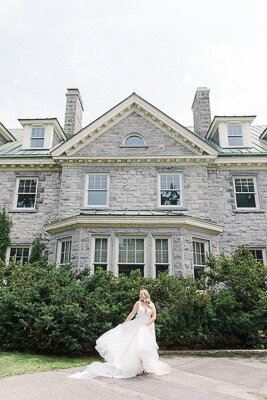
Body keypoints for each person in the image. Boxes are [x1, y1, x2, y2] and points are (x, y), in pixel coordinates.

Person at [69, 289, 171, 379]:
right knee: (138, 347)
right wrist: (125, 322)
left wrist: (147, 325)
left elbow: (154, 317)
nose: (140, 296)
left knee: (147, 348)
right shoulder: (137, 303)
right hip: (137, 326)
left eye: (141, 295)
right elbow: (132, 314)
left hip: (148, 327)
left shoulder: (151, 305)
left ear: (146, 295)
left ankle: (146, 367)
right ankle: (141, 368)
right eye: (139, 295)